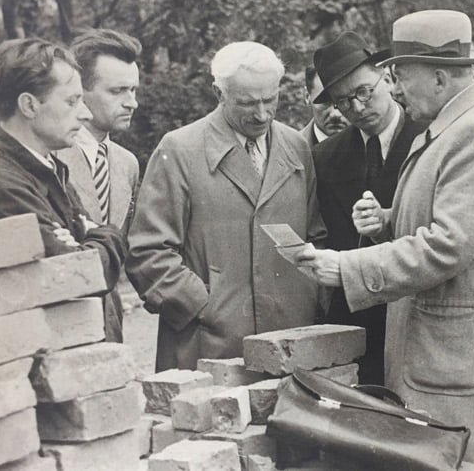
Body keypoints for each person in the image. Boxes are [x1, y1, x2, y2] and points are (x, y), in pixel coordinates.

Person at [298, 10, 474, 469]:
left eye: (399, 76)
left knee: (473, 456)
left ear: (437, 76)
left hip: (464, 349)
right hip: (452, 345)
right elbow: (458, 221)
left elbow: (449, 244)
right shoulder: (456, 123)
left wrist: (347, 267)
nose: (394, 89)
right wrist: (391, 220)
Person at [126, 41, 326, 371]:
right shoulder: (179, 150)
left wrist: (309, 299)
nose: (261, 114)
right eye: (247, 103)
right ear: (219, 94)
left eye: (270, 100)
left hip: (292, 342)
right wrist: (206, 306)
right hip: (208, 347)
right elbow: (148, 253)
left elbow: (317, 236)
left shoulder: (296, 146)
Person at [310, 31, 426, 385]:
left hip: (419, 316)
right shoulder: (325, 157)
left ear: (388, 79)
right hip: (356, 325)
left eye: (364, 92)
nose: (357, 109)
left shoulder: (431, 139)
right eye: (344, 102)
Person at [0, 38, 126, 288]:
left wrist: (87, 240)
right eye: (72, 101)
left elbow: (80, 261)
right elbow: (79, 280)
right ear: (29, 105)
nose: (86, 114)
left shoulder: (46, 167)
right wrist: (109, 235)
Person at [55, 29, 141, 343]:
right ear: (81, 91)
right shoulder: (49, 160)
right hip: (61, 328)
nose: (132, 103)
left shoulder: (127, 163)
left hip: (111, 325)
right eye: (118, 91)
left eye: (134, 90)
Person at [299, 66, 349, 145]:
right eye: (324, 101)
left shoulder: (372, 146)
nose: (335, 114)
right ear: (307, 96)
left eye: (343, 101)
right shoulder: (291, 150)